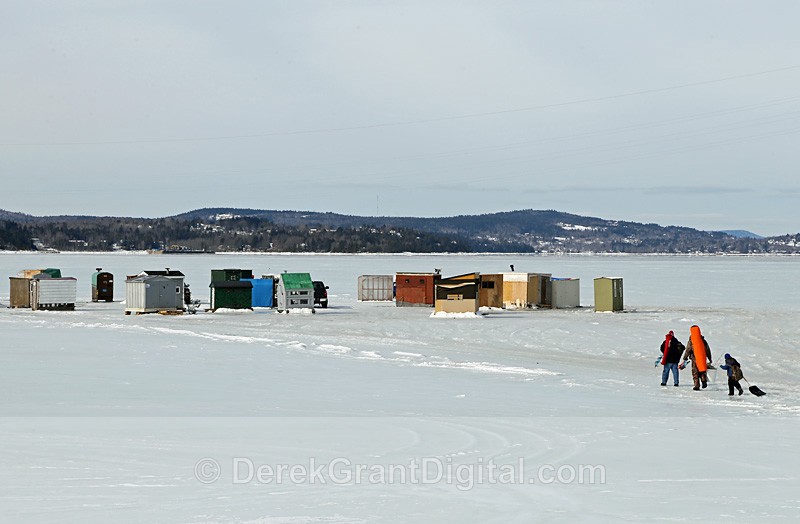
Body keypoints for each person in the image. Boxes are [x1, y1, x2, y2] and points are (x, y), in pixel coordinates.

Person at [681, 326, 713, 391]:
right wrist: (709, 358)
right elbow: (707, 349)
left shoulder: (691, 340)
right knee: (702, 370)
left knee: (695, 372)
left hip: (694, 358)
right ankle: (704, 381)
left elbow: (688, 349)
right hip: (702, 358)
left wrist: (685, 358)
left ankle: (696, 385)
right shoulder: (703, 340)